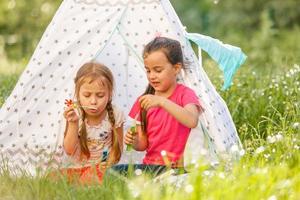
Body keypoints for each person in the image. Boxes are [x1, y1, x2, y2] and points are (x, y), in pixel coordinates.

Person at [111, 37, 203, 177]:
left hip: (176, 168)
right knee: (112, 173)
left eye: (158, 70)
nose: (152, 76)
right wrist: (134, 140)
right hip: (151, 167)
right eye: (148, 71)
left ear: (176, 68)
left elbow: (192, 120)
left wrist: (162, 102)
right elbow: (142, 145)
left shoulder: (185, 94)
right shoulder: (144, 100)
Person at [59, 62, 124, 184]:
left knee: (92, 178)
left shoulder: (115, 114)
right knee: (53, 176)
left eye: (100, 95)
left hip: (103, 169)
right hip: (77, 168)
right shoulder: (75, 114)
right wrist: (73, 123)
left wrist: (107, 165)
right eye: (87, 95)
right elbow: (69, 150)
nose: (93, 101)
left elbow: (118, 149)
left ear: (110, 94)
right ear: (77, 94)